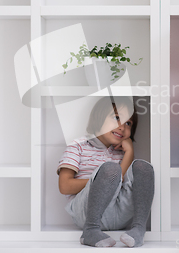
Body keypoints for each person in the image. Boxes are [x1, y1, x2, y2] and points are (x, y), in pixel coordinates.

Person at [57, 96, 154, 248]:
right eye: (117, 118)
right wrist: (99, 182)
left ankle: (138, 229)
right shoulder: (78, 146)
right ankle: (90, 230)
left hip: (118, 215)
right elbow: (64, 186)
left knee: (143, 167)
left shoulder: (123, 152)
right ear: (98, 118)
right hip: (86, 212)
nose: (122, 127)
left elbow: (121, 182)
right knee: (110, 169)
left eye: (128, 123)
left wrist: (130, 153)